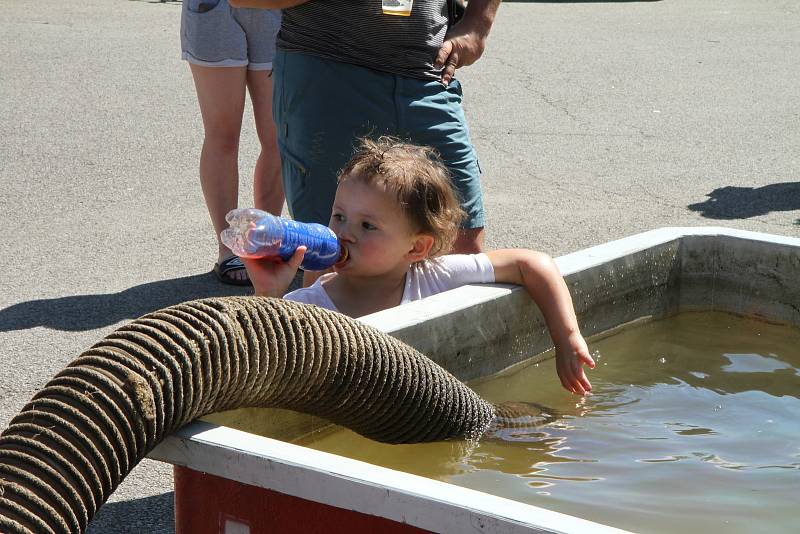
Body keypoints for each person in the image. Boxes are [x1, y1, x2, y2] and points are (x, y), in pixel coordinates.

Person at [242, 137, 596, 395]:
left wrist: (566, 338)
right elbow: (259, 365)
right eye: (339, 216)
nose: (344, 233)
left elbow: (530, 264)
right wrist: (268, 295)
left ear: (417, 247)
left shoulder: (432, 277)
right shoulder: (310, 305)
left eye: (367, 226)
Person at [229, 0, 502, 282]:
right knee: (333, 262)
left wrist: (478, 22)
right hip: (328, 67)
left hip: (428, 74)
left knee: (462, 253)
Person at [181, 0, 284, 285]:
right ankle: (228, 248)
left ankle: (265, 240)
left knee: (278, 137)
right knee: (223, 136)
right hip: (215, 8)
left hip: (276, 9)